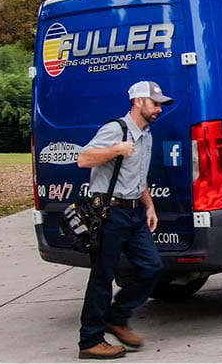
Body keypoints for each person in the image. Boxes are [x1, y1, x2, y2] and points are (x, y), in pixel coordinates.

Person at [75, 81, 172, 359]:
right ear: (138, 102)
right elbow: (83, 158)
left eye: (160, 104)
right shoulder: (116, 129)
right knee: (103, 277)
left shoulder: (147, 134)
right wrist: (115, 150)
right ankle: (90, 341)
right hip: (110, 213)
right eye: (154, 103)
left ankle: (117, 317)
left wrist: (150, 206)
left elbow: (138, 177)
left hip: (134, 213)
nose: (158, 108)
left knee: (152, 268)